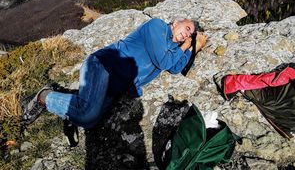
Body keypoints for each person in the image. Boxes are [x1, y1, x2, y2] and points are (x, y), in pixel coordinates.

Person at [22, 17, 208, 130]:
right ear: (176, 23)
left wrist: (194, 49)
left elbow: (175, 68)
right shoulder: (157, 27)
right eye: (187, 29)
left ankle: (71, 100)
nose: (186, 35)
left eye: (190, 35)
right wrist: (187, 45)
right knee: (87, 114)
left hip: (116, 85)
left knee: (90, 122)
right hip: (104, 66)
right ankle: (43, 96)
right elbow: (165, 62)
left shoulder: (174, 47)